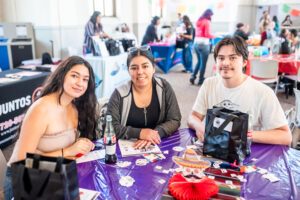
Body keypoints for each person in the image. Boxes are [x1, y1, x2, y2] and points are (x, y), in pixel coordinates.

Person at [4, 56, 98, 199]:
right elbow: (22, 161)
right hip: (24, 178)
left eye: (85, 79)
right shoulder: (41, 109)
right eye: (74, 76)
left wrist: (82, 145)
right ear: (62, 76)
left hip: (53, 172)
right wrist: (68, 151)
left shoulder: (75, 107)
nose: (80, 83)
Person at [187, 36, 292, 146]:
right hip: (213, 150)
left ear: (244, 62)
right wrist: (199, 126)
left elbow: (285, 136)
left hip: (246, 155)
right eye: (221, 58)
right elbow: (193, 117)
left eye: (233, 58)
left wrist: (246, 135)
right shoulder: (209, 84)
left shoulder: (263, 92)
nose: (226, 63)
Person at [107, 46, 181, 149]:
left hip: (158, 143)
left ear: (153, 68)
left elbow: (175, 119)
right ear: (128, 71)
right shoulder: (119, 94)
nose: (140, 72)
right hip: (128, 149)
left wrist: (154, 134)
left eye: (145, 66)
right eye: (134, 68)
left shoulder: (164, 87)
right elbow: (111, 127)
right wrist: (140, 133)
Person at [190, 9, 214, 86]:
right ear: (209, 15)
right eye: (211, 15)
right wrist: (215, 36)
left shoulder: (198, 20)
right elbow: (207, 34)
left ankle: (193, 77)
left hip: (196, 44)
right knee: (203, 63)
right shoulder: (207, 22)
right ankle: (201, 79)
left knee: (199, 61)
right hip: (204, 44)